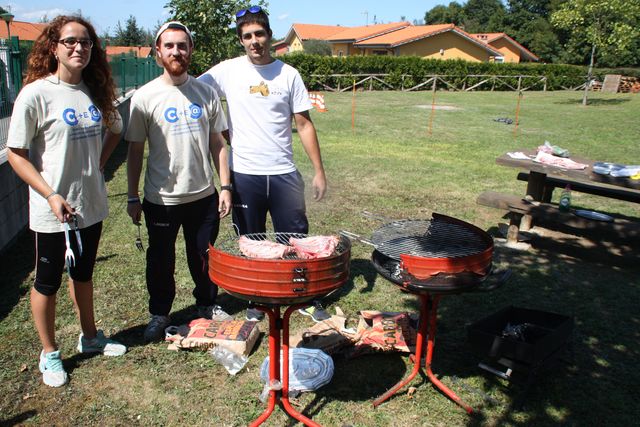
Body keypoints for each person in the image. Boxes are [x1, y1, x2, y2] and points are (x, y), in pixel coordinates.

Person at [7, 15, 127, 388]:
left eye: (86, 42)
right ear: (54, 46)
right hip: (53, 211)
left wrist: (99, 164)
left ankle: (90, 337)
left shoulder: (95, 89)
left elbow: (115, 128)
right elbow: (15, 153)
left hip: (89, 204)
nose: (79, 48)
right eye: (70, 41)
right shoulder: (37, 93)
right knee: (47, 282)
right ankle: (50, 354)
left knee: (83, 273)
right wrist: (51, 194)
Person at [198, 6, 329, 322]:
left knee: (295, 237)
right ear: (241, 40)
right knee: (252, 240)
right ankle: (257, 299)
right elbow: (195, 92)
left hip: (284, 173)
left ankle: (303, 296)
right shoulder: (227, 71)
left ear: (269, 36)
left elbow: (305, 124)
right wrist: (223, 130)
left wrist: (319, 171)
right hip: (245, 175)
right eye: (247, 36)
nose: (254, 41)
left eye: (259, 34)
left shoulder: (288, 74)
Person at [125, 22, 232, 342]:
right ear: (158, 52)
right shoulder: (144, 97)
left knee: (203, 255)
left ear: (191, 50)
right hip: (161, 200)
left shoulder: (206, 92)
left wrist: (225, 186)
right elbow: (135, 150)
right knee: (160, 260)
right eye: (169, 46)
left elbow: (218, 144)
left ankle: (207, 303)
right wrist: (132, 196)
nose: (176, 51)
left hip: (203, 195)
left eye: (182, 45)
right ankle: (159, 313)